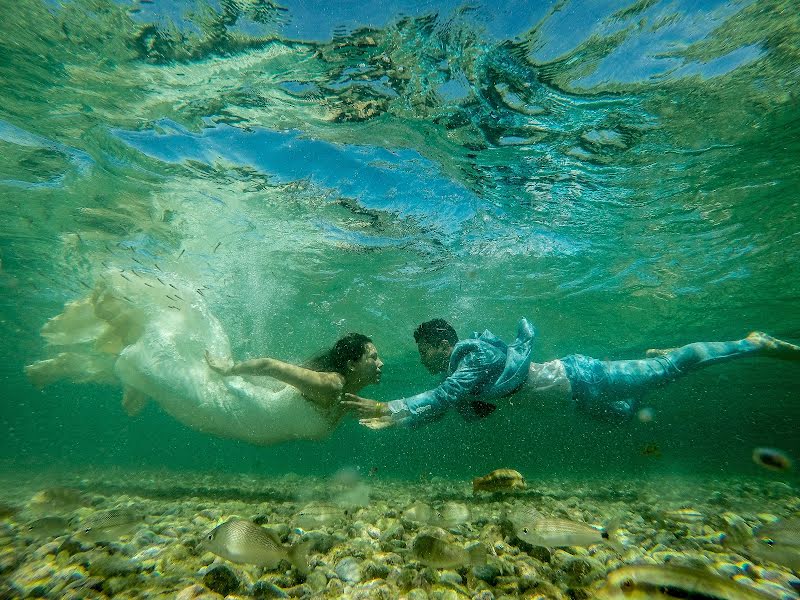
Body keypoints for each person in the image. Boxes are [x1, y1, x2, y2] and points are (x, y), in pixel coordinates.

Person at [26, 271, 383, 445]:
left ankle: (134, 378)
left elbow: (364, 410)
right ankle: (118, 369)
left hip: (246, 420)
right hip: (235, 410)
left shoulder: (344, 391)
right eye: (374, 357)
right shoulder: (331, 384)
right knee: (155, 364)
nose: (380, 364)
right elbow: (269, 365)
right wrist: (229, 370)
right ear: (351, 364)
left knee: (158, 375)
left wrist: (385, 413)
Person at [343, 317, 800, 429]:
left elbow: (445, 395)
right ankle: (668, 358)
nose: (424, 359)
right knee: (621, 416)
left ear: (441, 344)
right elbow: (453, 406)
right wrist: (408, 418)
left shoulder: (472, 356)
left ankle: (753, 343)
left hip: (583, 377)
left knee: (667, 369)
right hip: (577, 398)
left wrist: (391, 407)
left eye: (425, 351)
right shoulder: (462, 370)